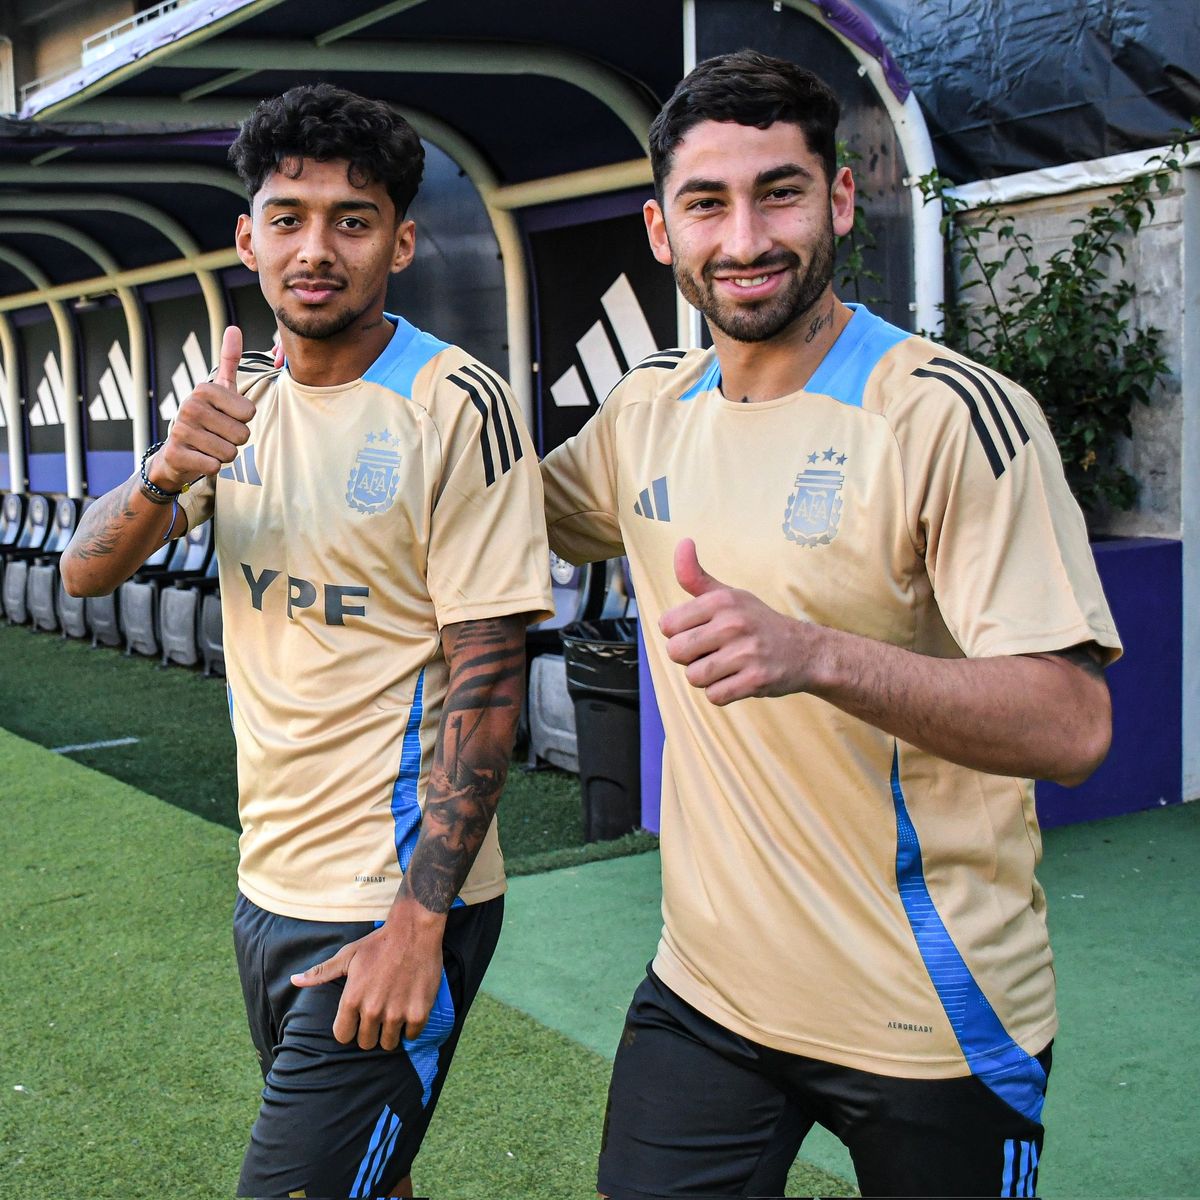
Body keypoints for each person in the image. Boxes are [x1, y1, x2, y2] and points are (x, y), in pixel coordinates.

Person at [540, 50, 1120, 1199]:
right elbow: (481, 522)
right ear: (663, 231)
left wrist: (813, 653)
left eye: (781, 193)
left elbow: (1072, 723)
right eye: (708, 203)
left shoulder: (946, 416)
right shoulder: (645, 410)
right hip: (708, 994)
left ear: (841, 202)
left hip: (930, 1016)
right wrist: (214, 461)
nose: (746, 236)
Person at [61, 83, 552, 1199]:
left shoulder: (450, 403)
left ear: (403, 241)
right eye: (289, 218)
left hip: (390, 900)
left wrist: (418, 920)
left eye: (352, 218)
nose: (316, 248)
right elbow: (83, 570)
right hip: (266, 884)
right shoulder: (239, 404)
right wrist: (165, 471)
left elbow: (488, 679)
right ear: (249, 239)